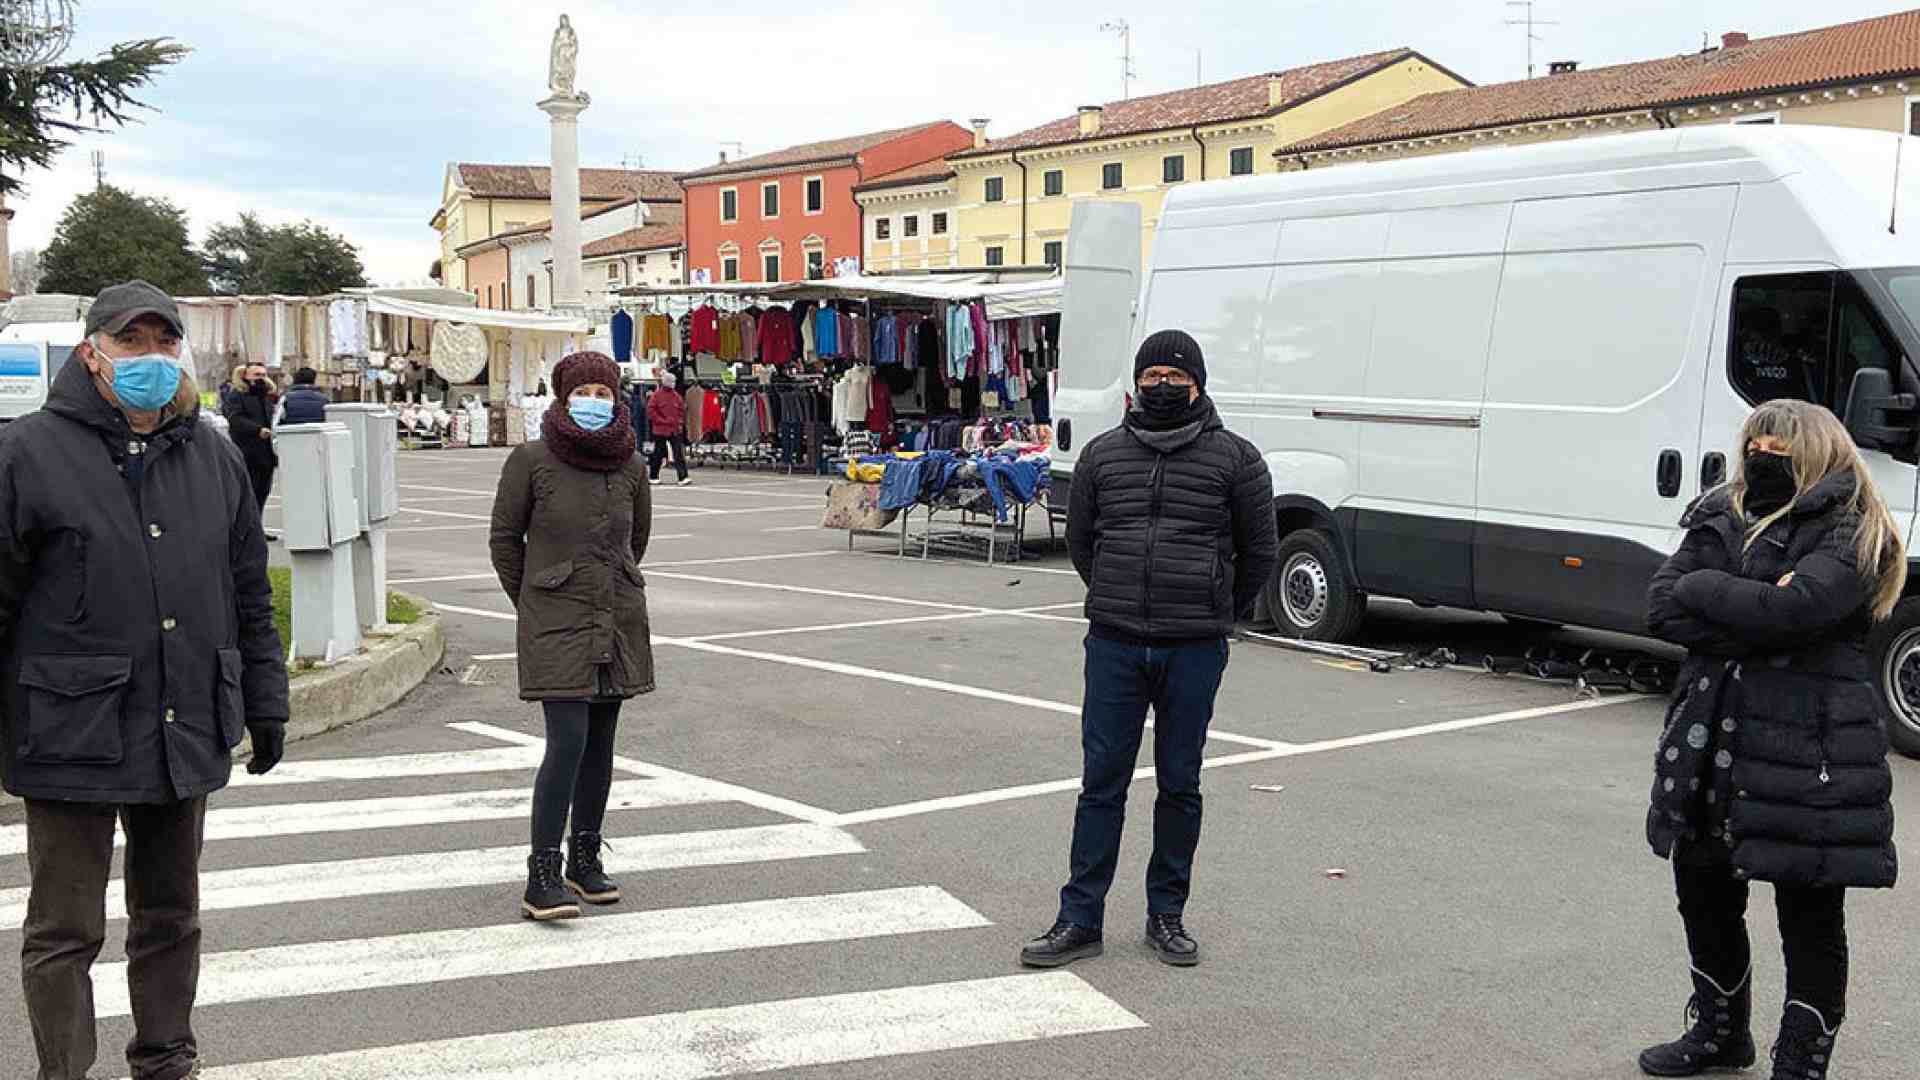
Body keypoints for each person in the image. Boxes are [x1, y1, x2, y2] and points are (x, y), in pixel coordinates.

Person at [0, 280, 289, 1080]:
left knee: (170, 914)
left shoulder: (214, 454)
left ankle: (166, 1060)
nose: (151, 358)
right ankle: (65, 1070)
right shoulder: (25, 453)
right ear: (92, 353)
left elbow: (247, 594)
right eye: (133, 342)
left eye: (165, 342)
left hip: (184, 716)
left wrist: (265, 701)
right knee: (65, 928)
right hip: (70, 730)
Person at [1640, 399, 1904, 1080]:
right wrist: (1749, 608)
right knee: (1702, 889)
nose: (1761, 457)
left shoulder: (1853, 528)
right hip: (1710, 741)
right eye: (1753, 444)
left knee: (1808, 911)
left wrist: (1713, 590)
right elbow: (1663, 607)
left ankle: (1801, 1063)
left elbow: (1795, 611)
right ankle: (1722, 1034)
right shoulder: (1721, 512)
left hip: (1807, 750)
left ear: (1815, 450)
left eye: (1778, 448)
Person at [1022, 330, 1278, 970]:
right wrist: (1115, 593)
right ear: (1136, 384)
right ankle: (1080, 919)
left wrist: (1217, 608)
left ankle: (1167, 915)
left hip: (1193, 647)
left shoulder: (1237, 461)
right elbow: (1084, 546)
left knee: (1180, 785)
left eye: (1176, 375)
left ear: (1199, 383)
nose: (1163, 385)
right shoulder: (1104, 457)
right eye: (1152, 374)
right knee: (1100, 786)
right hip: (1114, 642)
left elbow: (1260, 553)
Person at [488, 351, 654, 921]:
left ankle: (586, 860)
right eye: (583, 391)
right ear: (561, 397)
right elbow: (505, 542)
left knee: (601, 747)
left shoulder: (630, 465)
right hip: (556, 621)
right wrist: (535, 601)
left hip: (617, 618)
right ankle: (542, 872)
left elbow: (637, 543)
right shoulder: (531, 460)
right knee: (566, 744)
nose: (593, 401)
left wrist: (610, 589)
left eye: (603, 393)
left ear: (616, 400)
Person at [221, 362, 279, 542]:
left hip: (266, 453)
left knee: (262, 492)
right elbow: (235, 419)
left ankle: (256, 529)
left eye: (263, 375)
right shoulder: (237, 395)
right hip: (247, 451)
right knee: (248, 493)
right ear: (246, 376)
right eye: (256, 375)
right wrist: (257, 430)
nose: (260, 378)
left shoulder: (267, 396)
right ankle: (244, 531)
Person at [645, 370, 690, 486]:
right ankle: (653, 476)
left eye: (674, 381)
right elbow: (650, 411)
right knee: (658, 453)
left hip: (674, 430)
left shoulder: (676, 396)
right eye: (672, 381)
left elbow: (682, 410)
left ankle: (683, 477)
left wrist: (679, 422)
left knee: (678, 453)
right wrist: (661, 421)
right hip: (660, 430)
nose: (673, 383)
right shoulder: (656, 395)